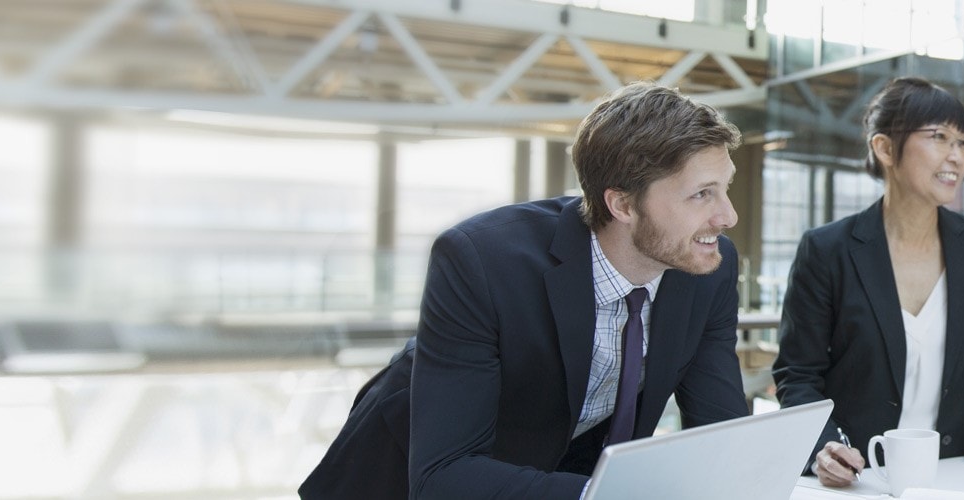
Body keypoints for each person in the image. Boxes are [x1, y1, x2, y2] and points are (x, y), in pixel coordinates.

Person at [299, 83, 751, 500]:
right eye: (702, 195)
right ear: (623, 204)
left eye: (724, 188)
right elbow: (445, 474)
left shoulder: (709, 265)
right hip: (404, 478)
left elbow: (722, 433)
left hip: (555, 476)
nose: (727, 216)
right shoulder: (480, 258)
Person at [773, 77, 964, 487]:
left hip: (952, 473)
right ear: (885, 148)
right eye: (939, 137)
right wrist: (825, 447)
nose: (957, 156)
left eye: (963, 143)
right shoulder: (827, 249)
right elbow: (797, 374)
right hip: (857, 474)